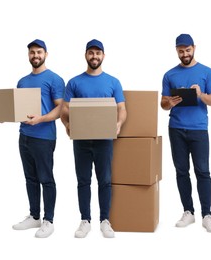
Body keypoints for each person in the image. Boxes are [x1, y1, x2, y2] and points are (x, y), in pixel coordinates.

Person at [60, 39, 127, 238]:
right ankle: (85, 220)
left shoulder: (113, 82)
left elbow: (122, 109)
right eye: (91, 53)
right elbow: (64, 109)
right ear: (86, 55)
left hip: (104, 139)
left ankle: (105, 220)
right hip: (81, 140)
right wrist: (67, 124)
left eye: (98, 53)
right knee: (83, 180)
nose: (94, 56)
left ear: (103, 56)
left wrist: (118, 124)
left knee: (105, 180)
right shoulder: (74, 82)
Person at [160, 34, 211, 233]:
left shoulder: (207, 72)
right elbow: (163, 105)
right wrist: (170, 102)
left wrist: (200, 95)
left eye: (187, 50)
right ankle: (188, 211)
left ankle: (207, 215)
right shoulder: (169, 75)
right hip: (176, 128)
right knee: (181, 171)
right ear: (176, 50)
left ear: (194, 48)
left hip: (199, 129)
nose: (184, 54)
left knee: (203, 171)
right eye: (180, 51)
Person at [12, 39, 65, 238]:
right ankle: (34, 216)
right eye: (32, 52)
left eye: (39, 52)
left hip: (44, 137)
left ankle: (48, 220)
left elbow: (61, 108)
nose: (36, 55)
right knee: (30, 178)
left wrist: (41, 119)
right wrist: (4, 115)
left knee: (46, 178)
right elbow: (17, 108)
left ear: (46, 54)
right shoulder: (22, 81)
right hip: (24, 136)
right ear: (28, 55)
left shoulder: (54, 79)